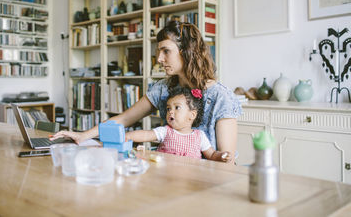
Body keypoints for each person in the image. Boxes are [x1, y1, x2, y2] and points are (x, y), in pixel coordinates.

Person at [51, 21, 242, 163]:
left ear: (187, 52)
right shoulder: (163, 88)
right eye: (158, 52)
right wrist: (83, 135)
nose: (159, 58)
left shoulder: (221, 97)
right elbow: (124, 119)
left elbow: (227, 161)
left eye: (166, 51)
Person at [126, 86, 231, 162]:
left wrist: (221, 156)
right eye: (168, 108)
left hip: (191, 177)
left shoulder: (200, 136)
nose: (170, 112)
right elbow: (146, 135)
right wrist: (128, 136)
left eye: (177, 107)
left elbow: (211, 154)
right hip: (166, 174)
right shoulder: (165, 131)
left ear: (192, 115)